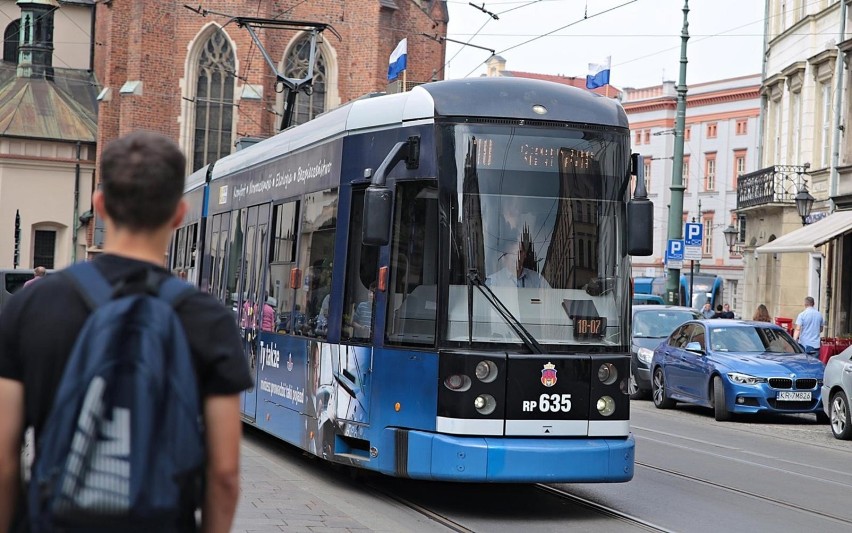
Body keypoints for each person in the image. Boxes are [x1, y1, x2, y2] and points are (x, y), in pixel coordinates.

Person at [0, 131, 252, 532]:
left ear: (99, 206)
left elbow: (4, 454)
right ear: (178, 214)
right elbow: (224, 475)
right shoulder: (209, 320)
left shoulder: (32, 306)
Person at [486, 237, 551, 289]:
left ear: (525, 254)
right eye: (512, 253)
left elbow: (551, 298)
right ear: (504, 257)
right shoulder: (493, 281)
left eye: (519, 252)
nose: (517, 257)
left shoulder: (537, 279)